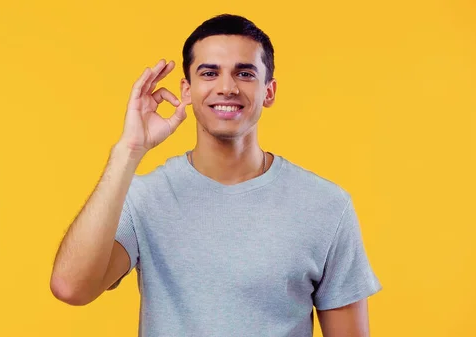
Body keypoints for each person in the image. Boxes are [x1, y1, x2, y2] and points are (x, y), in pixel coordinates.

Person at [50, 13, 381, 336]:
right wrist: (127, 151)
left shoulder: (326, 206)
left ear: (269, 91)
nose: (227, 87)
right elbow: (71, 288)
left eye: (245, 73)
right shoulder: (145, 199)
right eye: (209, 73)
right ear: (187, 90)